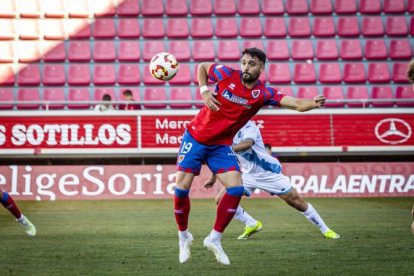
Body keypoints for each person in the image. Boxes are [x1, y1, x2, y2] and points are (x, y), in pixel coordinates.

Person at [174, 47, 326, 265]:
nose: (246, 67)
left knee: (235, 190)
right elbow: (203, 67)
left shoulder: (263, 94)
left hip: (220, 146)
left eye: (251, 64)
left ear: (262, 68)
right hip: (195, 138)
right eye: (244, 62)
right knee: (181, 191)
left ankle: (214, 239)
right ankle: (184, 236)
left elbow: (296, 104)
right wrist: (205, 90)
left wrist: (313, 102)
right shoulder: (226, 74)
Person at [204, 120, 340, 241]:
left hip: (267, 172)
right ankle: (252, 224)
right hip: (246, 174)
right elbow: (225, 157)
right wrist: (213, 177)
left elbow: (248, 144)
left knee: (296, 201)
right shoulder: (225, 131)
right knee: (221, 200)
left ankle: (325, 230)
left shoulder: (249, 125)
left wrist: (228, 150)